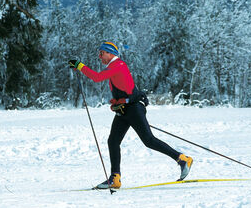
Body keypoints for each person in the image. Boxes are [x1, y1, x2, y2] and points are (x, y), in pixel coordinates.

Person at [68, 41, 193, 189]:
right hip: (124, 109)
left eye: (102, 53)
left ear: (110, 53)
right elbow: (123, 89)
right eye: (99, 54)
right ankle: (115, 178)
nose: (99, 56)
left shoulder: (118, 65)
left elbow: (97, 77)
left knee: (149, 140)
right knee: (113, 141)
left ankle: (183, 159)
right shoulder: (113, 67)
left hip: (134, 109)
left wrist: (79, 65)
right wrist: (117, 102)